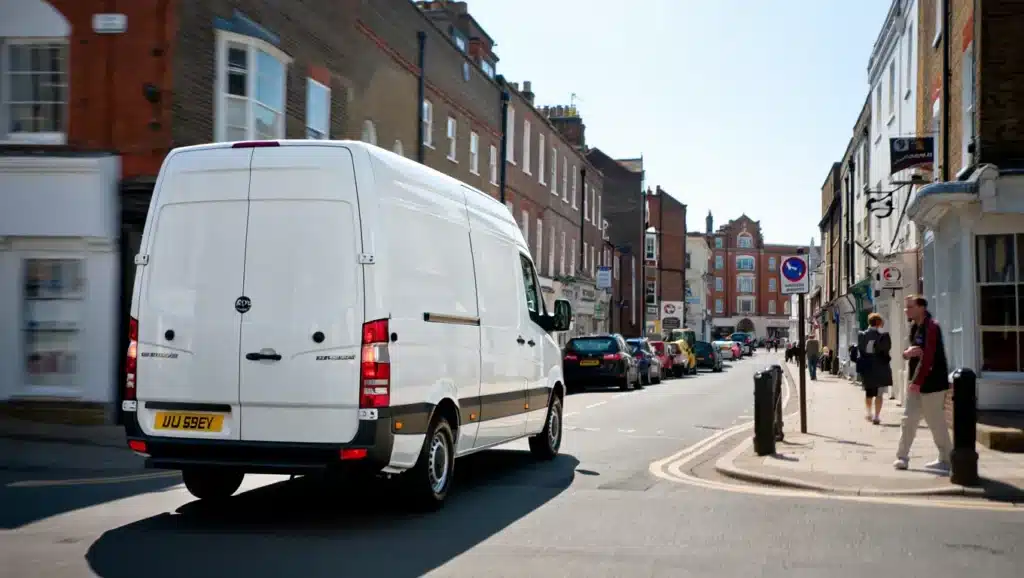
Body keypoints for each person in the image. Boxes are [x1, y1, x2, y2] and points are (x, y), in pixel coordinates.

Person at [894, 295, 953, 473]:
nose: (906, 310)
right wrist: (906, 354)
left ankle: (946, 459)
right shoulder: (915, 327)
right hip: (916, 383)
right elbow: (911, 352)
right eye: (906, 308)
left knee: (935, 422)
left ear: (921, 308)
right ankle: (902, 457)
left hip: (932, 383)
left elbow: (928, 357)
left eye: (910, 307)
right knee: (908, 420)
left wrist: (918, 382)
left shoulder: (932, 327)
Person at [857, 313, 893, 425]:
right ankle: (877, 416)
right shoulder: (883, 336)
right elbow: (886, 351)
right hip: (880, 368)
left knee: (869, 392)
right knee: (879, 394)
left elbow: (862, 351)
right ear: (878, 323)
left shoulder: (862, 335)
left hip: (867, 368)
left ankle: (868, 413)